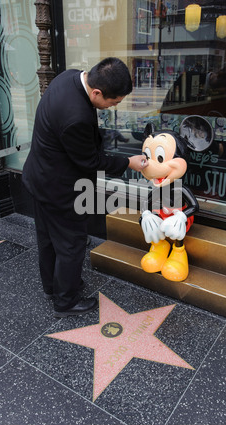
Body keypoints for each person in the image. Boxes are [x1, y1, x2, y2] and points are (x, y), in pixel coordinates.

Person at [22, 57, 148, 318]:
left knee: (47, 239)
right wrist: (128, 162)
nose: (112, 107)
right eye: (113, 102)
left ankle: (52, 287)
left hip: (39, 178)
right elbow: (90, 161)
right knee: (72, 244)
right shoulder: (76, 117)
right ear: (97, 92)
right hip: (61, 190)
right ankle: (65, 301)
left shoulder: (69, 77)